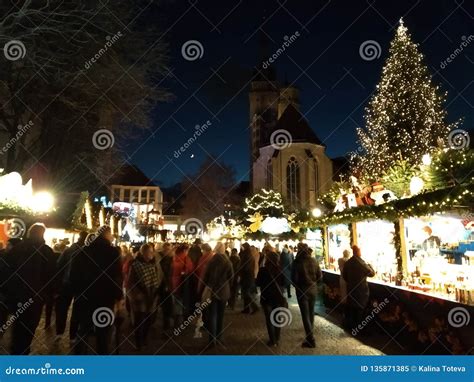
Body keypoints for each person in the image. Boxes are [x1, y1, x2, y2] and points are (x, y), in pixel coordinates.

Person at [3, 223, 56, 354]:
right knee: (28, 330)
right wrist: (49, 294)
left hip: (16, 296)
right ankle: (22, 355)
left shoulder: (18, 249)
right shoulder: (47, 252)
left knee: (17, 329)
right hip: (35, 298)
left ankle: (14, 354)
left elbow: (6, 271)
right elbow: (51, 276)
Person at [70, 226, 123, 355]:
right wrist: (118, 296)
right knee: (103, 332)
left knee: (83, 328)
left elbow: (73, 276)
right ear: (107, 235)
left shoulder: (82, 252)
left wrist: (77, 292)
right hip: (105, 297)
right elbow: (116, 276)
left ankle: (78, 358)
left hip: (85, 296)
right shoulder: (113, 252)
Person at [55, 231, 88, 342]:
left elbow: (59, 266)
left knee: (62, 308)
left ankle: (59, 332)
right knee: (77, 310)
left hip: (66, 283)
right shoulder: (87, 252)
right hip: (80, 285)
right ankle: (73, 335)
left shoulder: (68, 250)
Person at [128, 243, 162, 350]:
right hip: (141, 297)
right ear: (143, 253)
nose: (152, 254)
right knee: (139, 320)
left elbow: (158, 279)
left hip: (151, 296)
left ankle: (144, 339)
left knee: (149, 319)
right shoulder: (135, 265)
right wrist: (137, 294)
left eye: (153, 251)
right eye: (150, 252)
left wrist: (156, 293)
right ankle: (139, 342)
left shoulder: (153, 264)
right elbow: (131, 282)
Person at [202, 242, 233, 348]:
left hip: (213, 291)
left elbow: (206, 276)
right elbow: (231, 277)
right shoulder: (227, 262)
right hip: (224, 291)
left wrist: (207, 285)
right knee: (221, 316)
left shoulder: (212, 261)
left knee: (213, 315)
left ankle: (212, 340)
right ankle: (219, 337)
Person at [291, 243, 322, 348]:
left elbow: (294, 279)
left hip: (302, 290)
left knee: (305, 315)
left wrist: (298, 286)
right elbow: (320, 276)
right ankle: (310, 336)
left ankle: (311, 339)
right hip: (313, 290)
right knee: (310, 313)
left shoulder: (297, 262)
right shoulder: (314, 261)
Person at [256, 248, 287, 347]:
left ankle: (272, 340)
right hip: (278, 298)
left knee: (269, 319)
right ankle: (277, 338)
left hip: (266, 297)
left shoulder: (263, 270)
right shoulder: (280, 270)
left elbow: (258, 283)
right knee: (277, 318)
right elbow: (285, 283)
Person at [342, 245, 375, 332]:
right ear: (358, 252)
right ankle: (359, 329)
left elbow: (344, 276)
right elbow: (372, 274)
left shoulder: (348, 263)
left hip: (351, 290)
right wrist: (370, 265)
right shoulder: (362, 263)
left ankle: (352, 327)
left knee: (353, 309)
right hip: (361, 291)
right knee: (360, 310)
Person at [171, 243, 193, 325]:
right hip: (183, 284)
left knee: (176, 302)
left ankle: (176, 320)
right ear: (185, 250)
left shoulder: (174, 257)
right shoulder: (186, 258)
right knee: (184, 303)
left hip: (174, 284)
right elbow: (189, 270)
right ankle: (184, 321)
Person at [239, 243, 259, 314]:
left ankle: (254, 307)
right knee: (245, 293)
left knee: (246, 293)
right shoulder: (249, 255)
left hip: (247, 276)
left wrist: (241, 272)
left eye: (243, 247)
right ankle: (246, 309)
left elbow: (245, 267)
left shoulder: (247, 255)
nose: (242, 248)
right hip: (248, 276)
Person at [158, 243, 174, 333]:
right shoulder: (160, 259)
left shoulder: (172, 259)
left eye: (169, 249)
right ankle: (166, 325)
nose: (168, 251)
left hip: (171, 285)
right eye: (166, 249)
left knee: (169, 307)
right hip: (163, 286)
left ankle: (168, 325)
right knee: (166, 306)